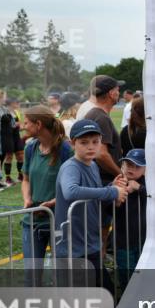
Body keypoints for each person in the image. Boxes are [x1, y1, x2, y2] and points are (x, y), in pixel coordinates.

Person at [54, 119, 126, 291]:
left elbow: (92, 193)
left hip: (89, 240)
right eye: (84, 142)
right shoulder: (71, 167)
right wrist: (112, 192)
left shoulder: (93, 165)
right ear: (73, 143)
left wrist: (110, 187)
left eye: (95, 142)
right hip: (73, 245)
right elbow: (70, 191)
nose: (90, 147)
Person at [20, 105, 73, 286]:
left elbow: (73, 186)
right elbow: (25, 179)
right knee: (31, 274)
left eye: (26, 122)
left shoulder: (66, 150)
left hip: (59, 221)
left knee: (62, 273)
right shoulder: (30, 148)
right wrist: (27, 199)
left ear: (39, 124)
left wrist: (54, 202)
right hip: (32, 221)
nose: (23, 126)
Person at [83, 76, 125, 255]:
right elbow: (101, 153)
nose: (120, 92)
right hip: (103, 183)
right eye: (117, 89)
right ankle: (98, 274)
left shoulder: (95, 114)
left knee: (97, 234)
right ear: (111, 93)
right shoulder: (101, 117)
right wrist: (120, 175)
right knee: (99, 235)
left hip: (97, 183)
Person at [112, 149, 147, 291]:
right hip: (123, 242)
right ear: (122, 165)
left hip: (144, 241)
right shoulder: (117, 183)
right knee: (127, 276)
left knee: (143, 275)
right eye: (128, 164)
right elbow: (106, 207)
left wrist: (139, 188)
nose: (131, 169)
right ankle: (127, 305)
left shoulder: (148, 184)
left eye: (137, 166)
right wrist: (115, 198)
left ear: (145, 169)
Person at [0, 98, 26, 186]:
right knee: (9, 156)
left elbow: (19, 124)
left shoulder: (16, 112)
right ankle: (8, 177)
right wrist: (16, 125)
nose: (18, 104)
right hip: (7, 137)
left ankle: (20, 175)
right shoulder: (4, 113)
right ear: (11, 103)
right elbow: (8, 125)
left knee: (20, 155)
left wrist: (22, 126)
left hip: (16, 136)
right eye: (17, 102)